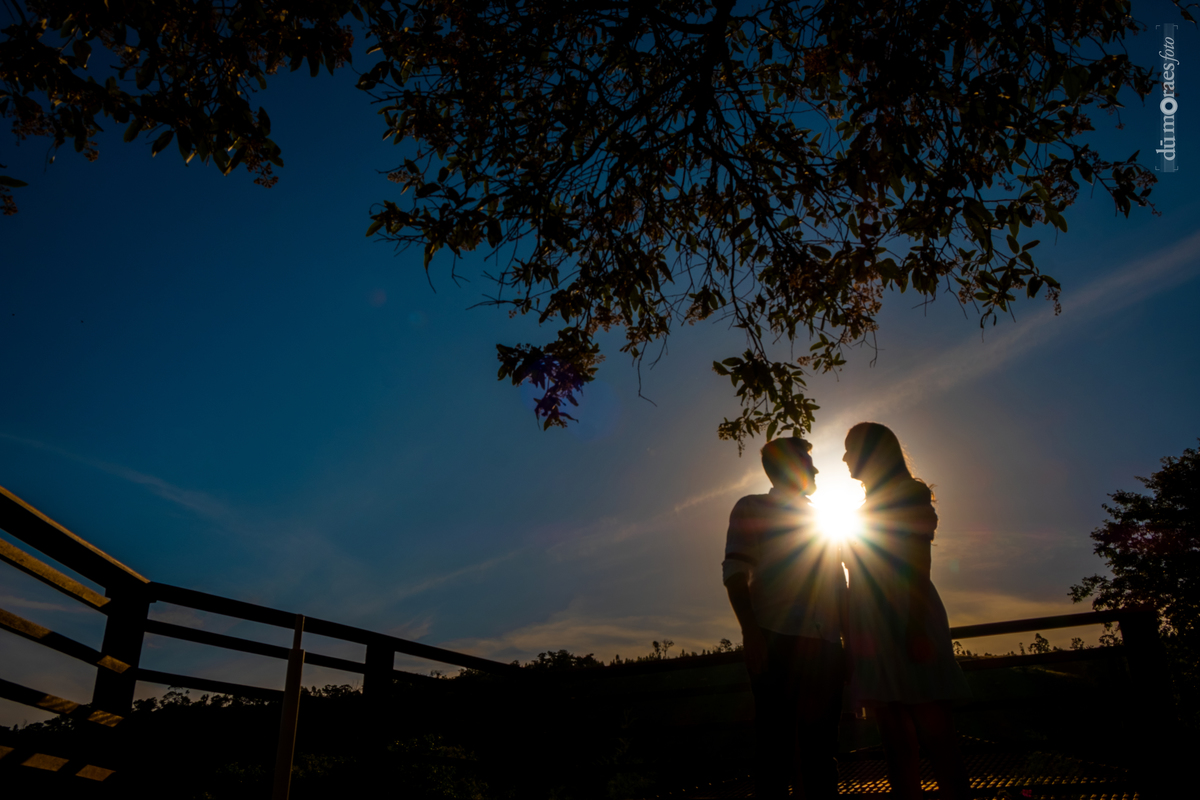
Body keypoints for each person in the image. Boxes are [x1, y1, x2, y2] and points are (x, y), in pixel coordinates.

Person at [841, 422, 972, 800]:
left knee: (937, 736)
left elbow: (918, 561)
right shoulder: (861, 510)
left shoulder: (909, 493)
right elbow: (855, 578)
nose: (846, 458)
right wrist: (854, 638)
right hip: (874, 625)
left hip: (906, 615)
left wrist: (914, 626)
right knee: (896, 742)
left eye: (851, 449)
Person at [723, 436, 847, 800]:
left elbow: (837, 582)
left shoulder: (823, 516)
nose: (816, 468)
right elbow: (735, 572)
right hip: (776, 640)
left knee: (822, 752)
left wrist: (848, 643)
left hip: (824, 645)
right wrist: (752, 633)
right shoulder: (751, 508)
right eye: (808, 462)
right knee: (775, 750)